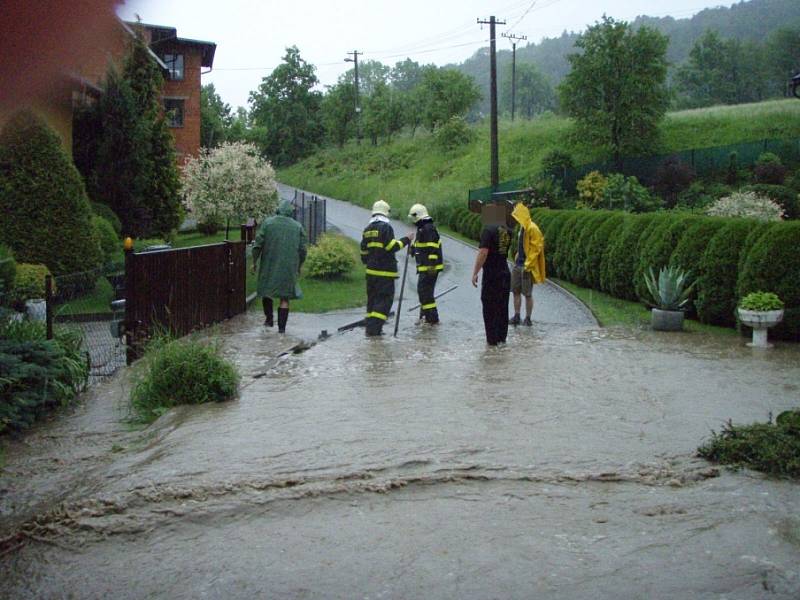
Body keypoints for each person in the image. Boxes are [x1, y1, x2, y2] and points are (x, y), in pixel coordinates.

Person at [252, 200, 307, 334]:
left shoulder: (268, 223)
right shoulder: (297, 227)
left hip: (269, 264)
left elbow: (258, 244)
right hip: (288, 267)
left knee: (267, 291)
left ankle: (269, 320)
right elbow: (303, 249)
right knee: (285, 297)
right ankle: (282, 330)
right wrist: (299, 265)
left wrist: (254, 262)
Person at [360, 199, 413, 336]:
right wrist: (406, 240)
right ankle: (374, 331)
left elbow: (363, 253)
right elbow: (391, 247)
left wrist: (370, 262)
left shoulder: (367, 229)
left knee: (372, 302)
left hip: (371, 274)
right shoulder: (386, 228)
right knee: (383, 302)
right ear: (385, 213)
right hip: (385, 274)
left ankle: (370, 330)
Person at [471, 216, 512, 346]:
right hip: (505, 272)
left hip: (492, 274)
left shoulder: (488, 230)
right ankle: (501, 338)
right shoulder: (507, 230)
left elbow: (483, 252)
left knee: (489, 307)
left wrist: (475, 272)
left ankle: (492, 341)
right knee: (502, 307)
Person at [509, 202, 546, 326]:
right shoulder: (522, 227)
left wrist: (528, 265)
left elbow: (536, 248)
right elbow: (523, 245)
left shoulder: (532, 228)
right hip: (518, 265)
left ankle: (528, 318)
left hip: (526, 266)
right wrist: (517, 256)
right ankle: (517, 315)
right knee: (515, 291)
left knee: (528, 293)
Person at [408, 203, 443, 324]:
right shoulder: (423, 228)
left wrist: (431, 265)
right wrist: (413, 249)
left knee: (425, 293)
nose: (413, 221)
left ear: (418, 216)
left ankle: (432, 319)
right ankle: (426, 316)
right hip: (425, 267)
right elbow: (421, 245)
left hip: (430, 267)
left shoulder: (428, 228)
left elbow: (432, 247)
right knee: (424, 292)